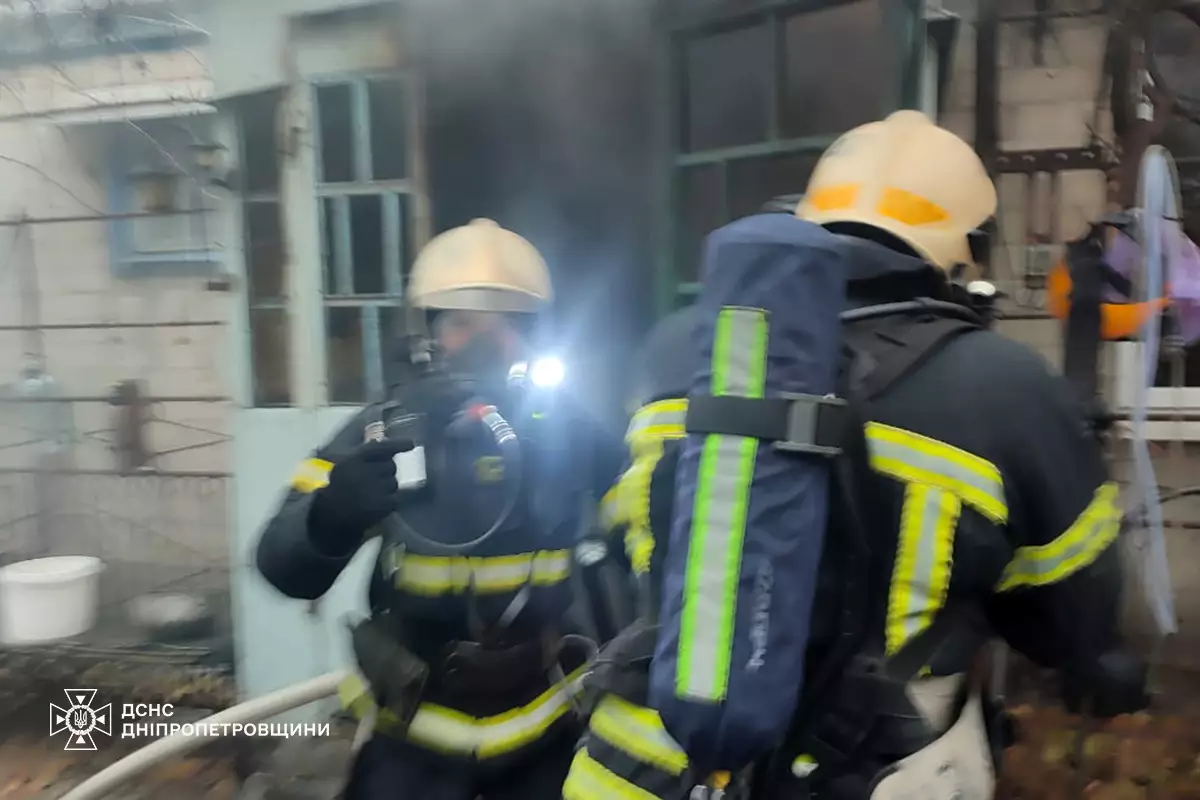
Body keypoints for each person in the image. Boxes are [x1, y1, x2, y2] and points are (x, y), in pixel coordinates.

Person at [566, 112, 1147, 800]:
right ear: (966, 251)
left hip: (631, 767)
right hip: (863, 776)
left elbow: (623, 531)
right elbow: (1072, 626)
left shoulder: (679, 349)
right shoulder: (1009, 387)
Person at [255, 218, 626, 800]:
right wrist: (331, 516)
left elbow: (643, 528)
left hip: (544, 732)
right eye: (461, 324)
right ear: (426, 337)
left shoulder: (567, 430)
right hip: (413, 737)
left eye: (508, 325)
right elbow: (280, 564)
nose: (485, 344)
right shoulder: (383, 431)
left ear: (536, 338)